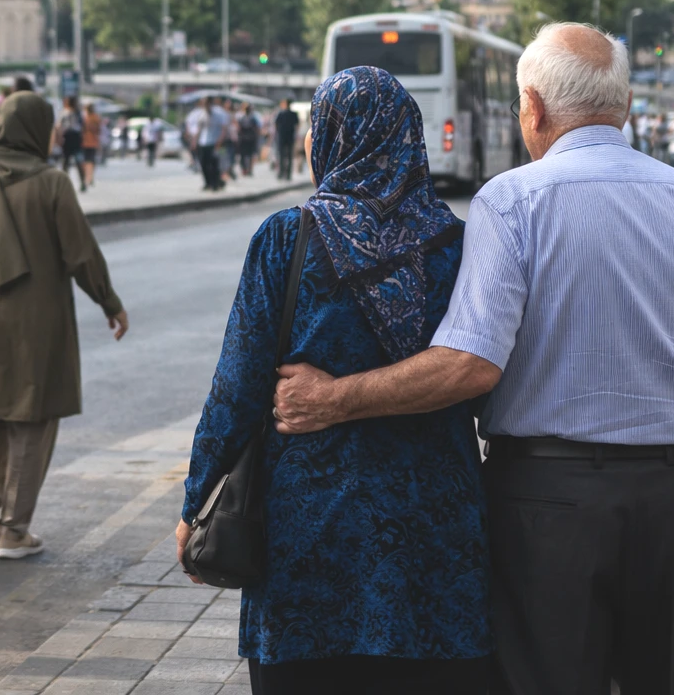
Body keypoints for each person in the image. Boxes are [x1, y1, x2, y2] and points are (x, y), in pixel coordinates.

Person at [272, 23, 674, 694]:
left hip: (549, 504)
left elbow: (469, 366)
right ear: (624, 105)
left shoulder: (513, 201)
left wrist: (333, 399)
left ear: (532, 108)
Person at [178, 68, 490, 693]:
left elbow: (237, 390)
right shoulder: (459, 245)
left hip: (311, 523)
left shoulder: (286, 239)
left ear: (328, 137)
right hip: (434, 521)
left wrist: (196, 504)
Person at [0, 92, 129, 559]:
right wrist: (109, 302)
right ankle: (13, 530)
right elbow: (81, 253)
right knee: (32, 415)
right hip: (33, 320)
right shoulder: (52, 183)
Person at [58, 97, 85, 190]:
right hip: (74, 138)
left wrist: (60, 138)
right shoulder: (77, 113)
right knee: (76, 162)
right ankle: (81, 182)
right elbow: (82, 127)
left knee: (66, 162)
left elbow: (60, 126)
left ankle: (64, 183)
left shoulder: (66, 113)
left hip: (69, 138)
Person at [273, 100, 299, 181]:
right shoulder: (293, 114)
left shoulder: (280, 114)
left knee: (281, 155)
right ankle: (288, 174)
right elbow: (297, 126)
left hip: (282, 137)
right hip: (290, 137)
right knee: (289, 156)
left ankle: (281, 173)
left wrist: (277, 133)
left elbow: (276, 124)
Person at [80, 101, 102, 189]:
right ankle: (90, 177)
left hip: (86, 142)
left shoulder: (85, 118)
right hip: (92, 142)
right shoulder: (95, 118)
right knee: (91, 161)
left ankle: (88, 177)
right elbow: (99, 130)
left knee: (87, 161)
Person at [237, 103, 262, 177]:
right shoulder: (251, 118)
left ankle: (246, 169)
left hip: (246, 139)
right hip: (249, 139)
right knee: (248, 155)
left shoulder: (244, 118)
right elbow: (257, 129)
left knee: (246, 155)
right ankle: (247, 169)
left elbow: (239, 129)